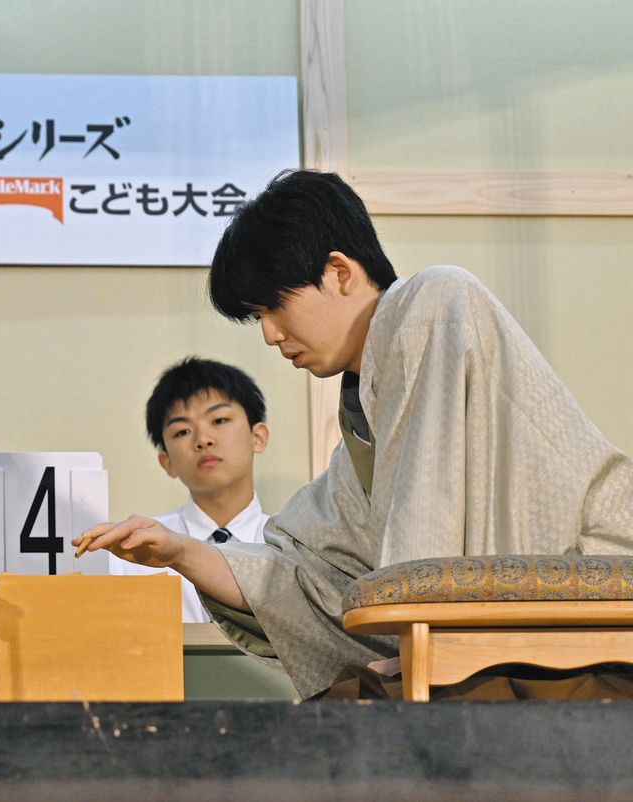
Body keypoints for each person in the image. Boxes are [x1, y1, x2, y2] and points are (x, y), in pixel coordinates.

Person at [75, 169, 633, 698]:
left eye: (275, 307)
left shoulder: (433, 303)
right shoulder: (365, 412)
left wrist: (423, 638)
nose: (270, 335)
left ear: (340, 272)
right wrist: (179, 550)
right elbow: (301, 575)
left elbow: (425, 527)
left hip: (596, 621)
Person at [108, 357, 269, 623]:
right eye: (182, 431)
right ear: (167, 462)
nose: (203, 440)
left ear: (258, 437)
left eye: (219, 420)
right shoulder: (133, 553)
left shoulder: (293, 545)